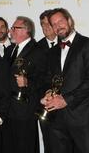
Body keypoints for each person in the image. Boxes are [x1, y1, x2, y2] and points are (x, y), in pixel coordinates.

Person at [40, 8, 89, 153]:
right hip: (57, 121)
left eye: (60, 21)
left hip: (84, 119)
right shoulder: (52, 52)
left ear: (69, 21)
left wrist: (66, 100)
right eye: (53, 24)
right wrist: (48, 92)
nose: (58, 26)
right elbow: (48, 79)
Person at [5, 16, 46, 153]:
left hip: (26, 110)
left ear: (25, 30)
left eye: (14, 28)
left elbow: (45, 81)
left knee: (25, 148)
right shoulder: (10, 49)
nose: (10, 31)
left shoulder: (38, 51)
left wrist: (28, 82)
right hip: (8, 109)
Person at [37, 9, 57, 153]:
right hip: (44, 104)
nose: (46, 27)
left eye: (49, 23)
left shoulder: (68, 44)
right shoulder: (35, 47)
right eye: (43, 24)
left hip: (65, 104)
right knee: (48, 141)